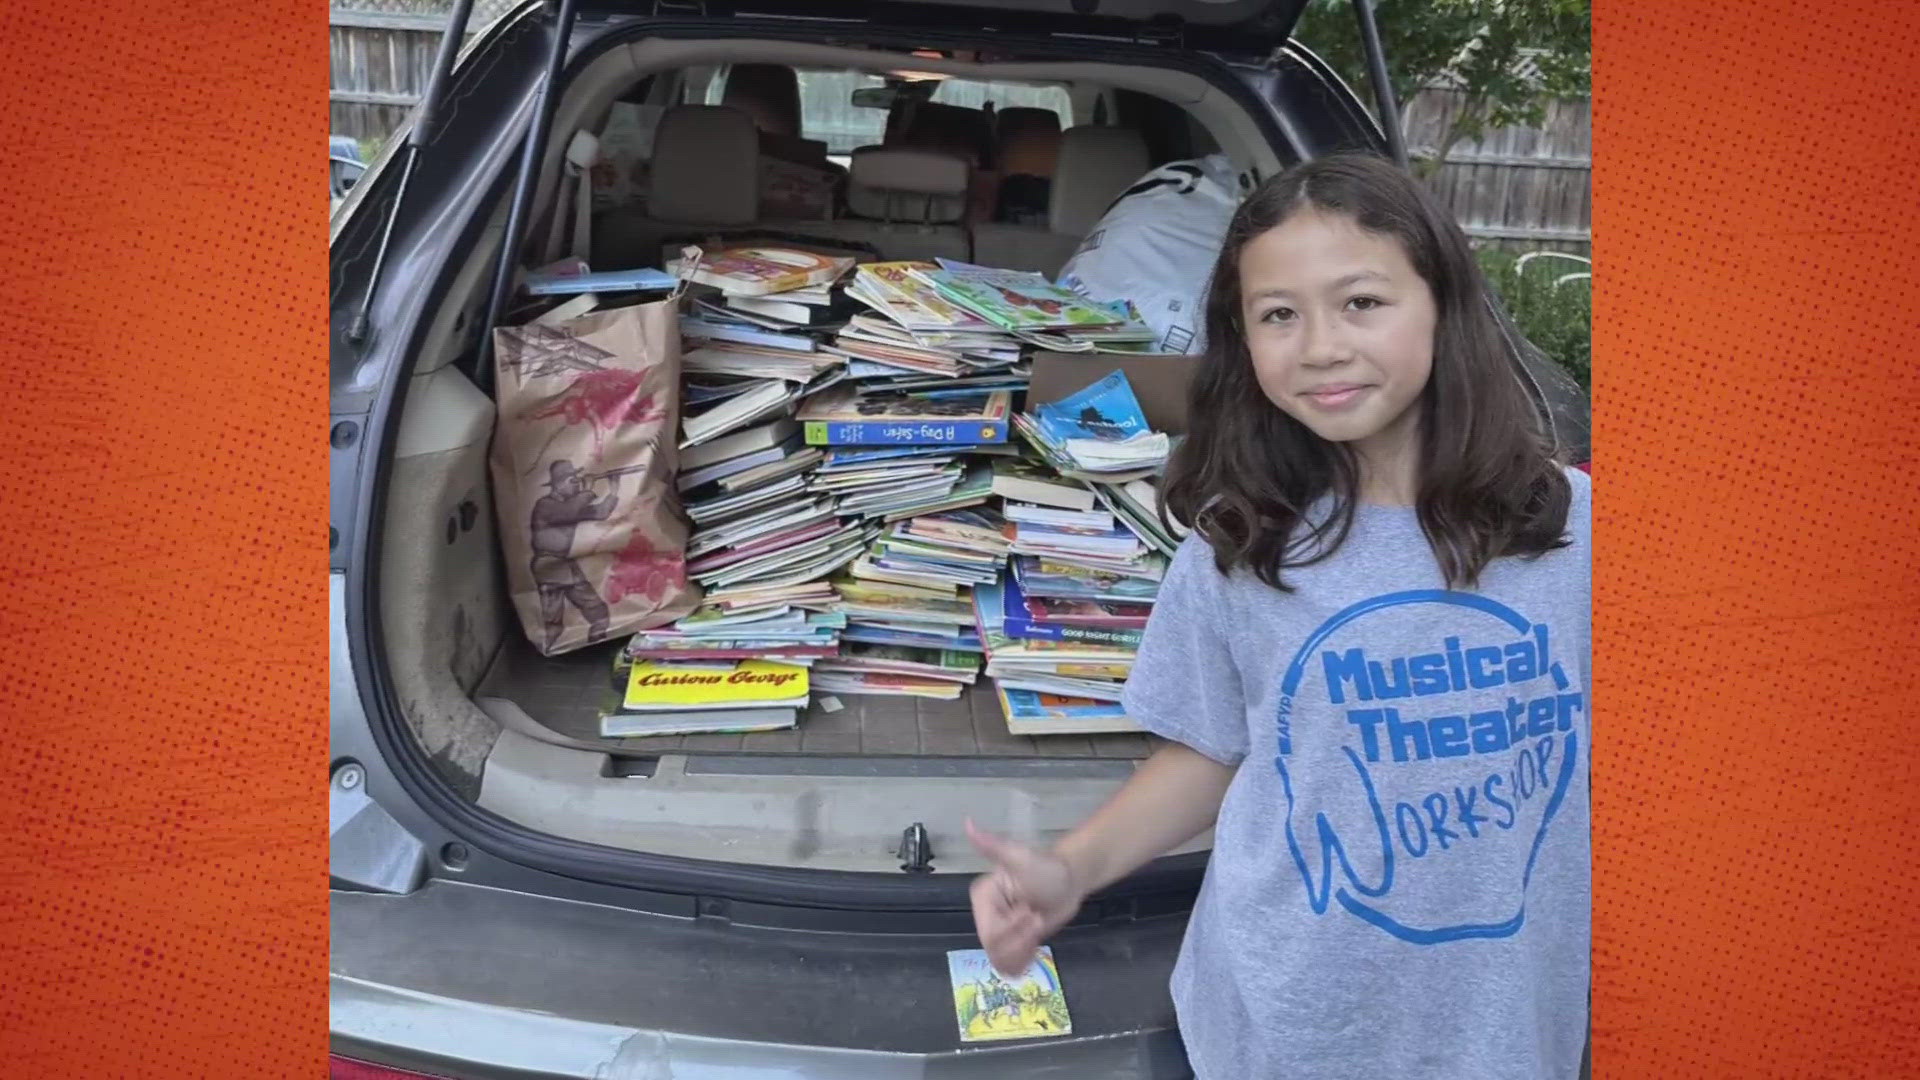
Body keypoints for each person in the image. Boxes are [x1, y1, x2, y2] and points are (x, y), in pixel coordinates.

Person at [966, 151, 1590, 1080]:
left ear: (1445, 305)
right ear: (1242, 341)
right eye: (1278, 316)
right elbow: (1208, 752)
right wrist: (1071, 870)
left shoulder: (1575, 531)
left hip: (1502, 1030)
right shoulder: (1240, 545)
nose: (1322, 346)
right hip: (1281, 1024)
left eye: (1362, 302)